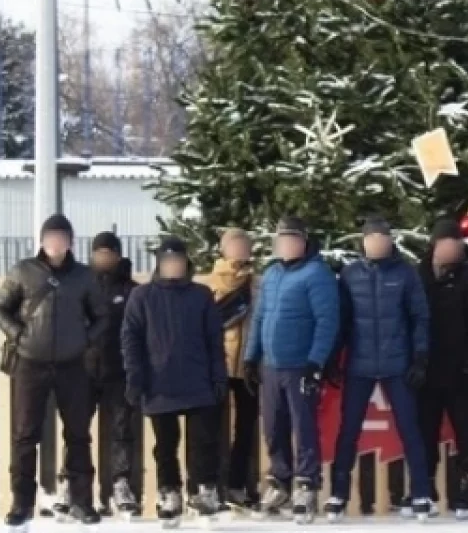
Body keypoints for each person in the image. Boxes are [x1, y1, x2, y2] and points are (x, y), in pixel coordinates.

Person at [0, 214, 108, 530]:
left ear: (70, 242)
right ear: (42, 241)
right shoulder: (23, 271)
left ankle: (81, 501)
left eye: (61, 237)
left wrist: (85, 339)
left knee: (78, 434)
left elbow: (101, 316)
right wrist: (18, 334)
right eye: (50, 237)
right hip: (30, 363)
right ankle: (22, 503)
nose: (55, 243)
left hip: (72, 365)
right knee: (24, 435)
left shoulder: (84, 276)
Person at [325, 215, 432, 521]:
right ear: (364, 242)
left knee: (410, 428)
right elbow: (342, 320)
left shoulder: (406, 273)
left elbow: (420, 318)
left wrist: (420, 358)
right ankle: (338, 493)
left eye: (382, 239)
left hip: (397, 364)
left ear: (389, 241)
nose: (377, 244)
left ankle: (421, 492)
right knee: (349, 430)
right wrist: (333, 357)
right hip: (359, 364)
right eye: (371, 239)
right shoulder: (350, 274)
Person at [121, 237, 229, 526]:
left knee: (204, 442)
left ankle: (205, 491)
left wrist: (218, 376)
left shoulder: (201, 295)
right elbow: (130, 339)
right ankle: (170, 492)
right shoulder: (142, 296)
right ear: (159, 263)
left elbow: (214, 339)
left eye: (178, 260)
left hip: (198, 381)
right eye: (168, 260)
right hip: (159, 383)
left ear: (186, 263)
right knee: (165, 446)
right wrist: (135, 377)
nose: (173, 265)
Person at [243, 215, 340, 523]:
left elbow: (327, 321)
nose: (285, 245)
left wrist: (316, 361)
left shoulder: (317, 274)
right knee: (273, 426)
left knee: (303, 426)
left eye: (290, 239)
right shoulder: (272, 274)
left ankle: (307, 484)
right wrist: (250, 357)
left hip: (300, 365)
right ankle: (280, 481)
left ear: (303, 241)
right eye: (280, 240)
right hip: (271, 365)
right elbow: (259, 317)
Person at [416, 219, 468, 519]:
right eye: (447, 244)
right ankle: (425, 488)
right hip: (426, 369)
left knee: (466, 431)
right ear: (435, 245)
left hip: (461, 369)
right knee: (425, 431)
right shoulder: (419, 274)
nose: (452, 250)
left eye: (456, 245)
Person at [74, 231, 140, 518]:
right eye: (99, 253)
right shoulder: (80, 287)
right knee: (77, 431)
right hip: (84, 370)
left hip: (118, 371)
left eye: (109, 253)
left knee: (121, 430)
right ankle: (73, 484)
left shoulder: (131, 290)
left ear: (117, 255)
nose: (104, 258)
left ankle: (120, 484)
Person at [199, 227, 259, 510]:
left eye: (244, 247)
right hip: (218, 363)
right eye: (234, 246)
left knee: (245, 429)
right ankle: (209, 485)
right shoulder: (209, 284)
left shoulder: (257, 284)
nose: (239, 252)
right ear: (223, 250)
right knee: (211, 428)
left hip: (248, 364)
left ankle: (237, 485)